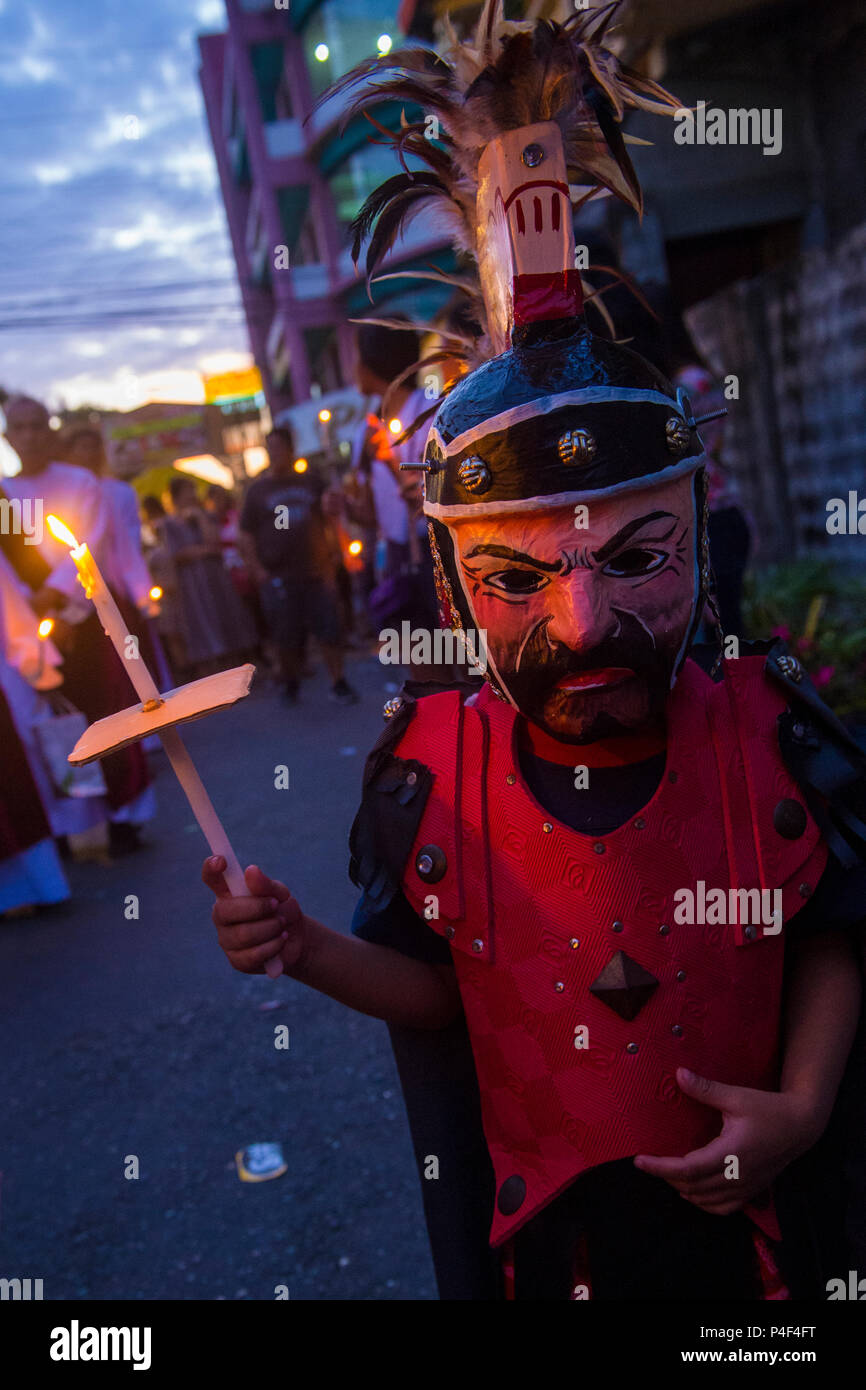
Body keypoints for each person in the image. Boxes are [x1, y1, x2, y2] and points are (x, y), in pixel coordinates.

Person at [203, 5, 865, 1301]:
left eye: (633, 558)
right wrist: (301, 943)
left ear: (699, 523)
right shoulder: (432, 776)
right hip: (555, 1261)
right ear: (453, 574)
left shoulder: (760, 732)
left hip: (763, 1260)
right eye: (517, 578)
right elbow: (451, 988)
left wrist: (799, 1106)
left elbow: (832, 924)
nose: (579, 626)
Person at [2, 395, 154, 854]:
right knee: (56, 726)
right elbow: (10, 570)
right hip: (32, 627)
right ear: (8, 437)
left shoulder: (80, 482)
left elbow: (84, 547)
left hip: (86, 619)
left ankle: (125, 816)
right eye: (18, 428)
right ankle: (76, 821)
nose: (29, 436)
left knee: (111, 716)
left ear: (50, 431)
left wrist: (59, 605)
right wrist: (37, 617)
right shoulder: (5, 494)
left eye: (36, 426)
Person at [238, 426, 358, 705]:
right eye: (269, 448)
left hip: (314, 570)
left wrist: (335, 558)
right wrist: (257, 570)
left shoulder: (311, 483)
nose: (273, 454)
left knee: (329, 628)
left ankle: (338, 681)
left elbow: (330, 519)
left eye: (278, 447)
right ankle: (290, 683)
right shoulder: (258, 491)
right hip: (277, 575)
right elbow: (245, 534)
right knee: (285, 634)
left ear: (290, 450)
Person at [162, 476, 255, 679]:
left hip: (215, 578)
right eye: (188, 491)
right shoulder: (169, 524)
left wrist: (199, 517)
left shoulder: (205, 516)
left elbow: (215, 543)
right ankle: (212, 675)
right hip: (193, 583)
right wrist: (203, 551)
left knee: (225, 616)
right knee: (201, 621)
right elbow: (177, 554)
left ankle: (236, 672)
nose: (192, 496)